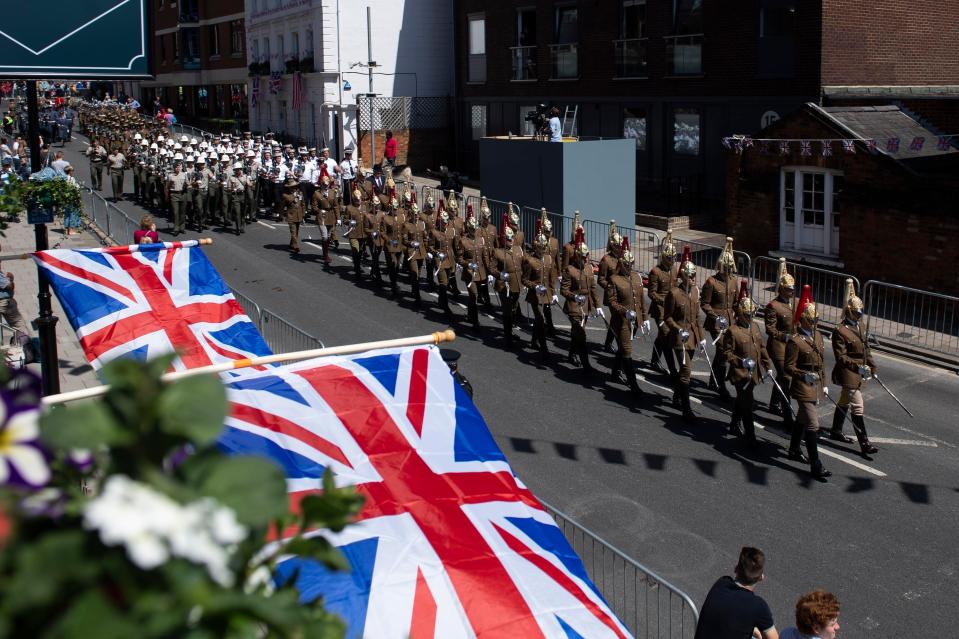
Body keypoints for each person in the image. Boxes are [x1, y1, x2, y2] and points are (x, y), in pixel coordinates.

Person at [785, 285, 832, 481]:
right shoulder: (795, 341)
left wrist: (824, 383)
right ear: (804, 320)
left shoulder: (818, 336)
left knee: (802, 420)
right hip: (803, 386)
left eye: (816, 321)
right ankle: (816, 465)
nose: (814, 324)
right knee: (813, 424)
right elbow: (788, 367)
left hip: (816, 385)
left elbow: (821, 363)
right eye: (812, 321)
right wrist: (804, 375)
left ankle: (794, 449)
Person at [830, 279, 879, 457]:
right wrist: (858, 367)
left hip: (859, 369)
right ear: (849, 311)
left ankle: (835, 430)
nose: (859, 316)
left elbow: (866, 348)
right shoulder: (840, 331)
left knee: (844, 400)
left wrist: (872, 366)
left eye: (860, 313)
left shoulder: (861, 326)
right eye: (856, 313)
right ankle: (864, 443)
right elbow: (841, 357)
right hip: (847, 371)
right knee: (857, 406)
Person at [723, 281, 773, 447]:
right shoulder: (733, 331)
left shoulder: (755, 328)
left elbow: (761, 348)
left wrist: (768, 366)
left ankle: (733, 424)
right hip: (740, 374)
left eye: (752, 315)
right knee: (748, 405)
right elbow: (727, 354)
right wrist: (741, 361)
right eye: (747, 315)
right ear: (741, 313)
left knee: (742, 400)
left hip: (754, 373)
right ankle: (751, 437)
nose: (750, 318)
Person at [694, 547, 778, 639]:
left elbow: (728, 614)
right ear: (761, 577)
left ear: (736, 568)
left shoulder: (721, 583)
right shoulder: (758, 606)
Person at [664, 246, 704, 423]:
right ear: (683, 276)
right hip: (679, 338)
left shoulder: (695, 292)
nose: (693, 278)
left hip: (692, 338)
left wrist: (701, 338)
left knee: (683, 371)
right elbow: (667, 318)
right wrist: (677, 329)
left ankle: (676, 396)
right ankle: (686, 409)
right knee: (686, 371)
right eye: (690, 275)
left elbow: (696, 318)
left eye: (695, 275)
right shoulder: (673, 293)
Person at [606, 241, 648, 400]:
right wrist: (625, 312)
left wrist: (644, 317)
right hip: (622, 322)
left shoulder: (637, 278)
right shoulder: (614, 279)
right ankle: (634, 385)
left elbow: (641, 300)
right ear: (621, 264)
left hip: (634, 321)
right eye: (626, 264)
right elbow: (612, 302)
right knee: (627, 351)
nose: (629, 266)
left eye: (631, 264)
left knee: (622, 349)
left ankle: (615, 372)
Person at [701, 236, 740, 402]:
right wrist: (715, 317)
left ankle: (713, 379)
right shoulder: (711, 282)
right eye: (725, 267)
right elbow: (705, 303)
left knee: (721, 352)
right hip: (716, 322)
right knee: (723, 350)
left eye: (730, 268)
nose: (727, 271)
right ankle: (721, 386)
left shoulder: (733, 281)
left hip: (729, 321)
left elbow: (736, 302)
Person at [560, 227, 601, 377]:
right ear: (577, 257)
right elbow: (563, 290)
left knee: (576, 333)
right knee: (581, 335)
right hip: (574, 306)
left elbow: (593, 288)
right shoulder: (569, 270)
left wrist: (598, 306)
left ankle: (571, 354)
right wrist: (573, 296)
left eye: (587, 256)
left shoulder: (589, 269)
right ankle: (586, 365)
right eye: (583, 257)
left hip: (586, 305)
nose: (585, 259)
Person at [764, 269, 797, 426]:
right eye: (788, 289)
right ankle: (787, 414)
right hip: (778, 345)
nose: (791, 292)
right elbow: (770, 329)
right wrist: (785, 337)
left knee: (781, 376)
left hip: (791, 347)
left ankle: (774, 403)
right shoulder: (773, 306)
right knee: (785, 378)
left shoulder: (792, 304)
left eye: (792, 289)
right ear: (781, 289)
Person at [647, 231, 679, 377]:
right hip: (659, 310)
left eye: (673, 258)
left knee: (662, 336)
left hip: (671, 310)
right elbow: (651, 293)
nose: (672, 260)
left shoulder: (674, 269)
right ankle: (672, 370)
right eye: (670, 258)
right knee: (666, 336)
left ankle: (654, 359)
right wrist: (664, 302)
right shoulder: (655, 272)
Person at [521, 228, 555, 361]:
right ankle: (544, 348)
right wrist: (535, 287)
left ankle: (534, 341)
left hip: (546, 295)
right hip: (535, 296)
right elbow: (524, 280)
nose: (543, 249)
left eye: (544, 247)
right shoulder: (530, 261)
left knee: (539, 320)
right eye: (541, 247)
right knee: (541, 320)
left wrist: (553, 292)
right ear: (536, 247)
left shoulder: (548, 259)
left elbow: (551, 278)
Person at [456, 204, 490, 331]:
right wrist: (468, 264)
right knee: (474, 295)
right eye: (471, 228)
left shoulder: (481, 240)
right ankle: (475, 322)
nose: (474, 231)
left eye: (475, 228)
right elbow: (459, 259)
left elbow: (485, 257)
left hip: (480, 272)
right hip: (469, 272)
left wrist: (490, 272)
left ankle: (470, 314)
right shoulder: (463, 241)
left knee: (473, 297)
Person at [598, 222, 622, 354]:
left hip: (621, 294)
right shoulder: (606, 260)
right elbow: (601, 279)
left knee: (614, 321)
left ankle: (607, 343)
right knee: (617, 320)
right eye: (617, 245)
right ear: (612, 245)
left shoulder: (622, 258)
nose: (620, 248)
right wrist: (609, 286)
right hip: (611, 294)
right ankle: (621, 347)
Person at [430, 204, 457, 322]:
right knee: (443, 283)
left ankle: (441, 301)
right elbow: (430, 246)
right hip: (440, 260)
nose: (445, 223)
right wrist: (435, 253)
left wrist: (458, 259)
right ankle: (446, 307)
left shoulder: (452, 231)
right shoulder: (434, 232)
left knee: (446, 283)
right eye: (443, 221)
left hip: (450, 259)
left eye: (446, 222)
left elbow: (455, 246)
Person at [281, 176, 305, 253]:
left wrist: (303, 215)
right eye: (292, 187)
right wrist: (295, 195)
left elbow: (303, 204)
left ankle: (292, 244)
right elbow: (290, 200)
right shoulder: (285, 195)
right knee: (293, 231)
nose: (294, 188)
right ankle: (296, 246)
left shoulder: (300, 193)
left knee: (296, 231)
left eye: (295, 187)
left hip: (298, 215)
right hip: (291, 215)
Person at [61, 165, 82, 236]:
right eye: (72, 170)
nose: (73, 172)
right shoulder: (71, 179)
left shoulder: (62, 178)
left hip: (65, 198)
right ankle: (71, 230)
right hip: (72, 198)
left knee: (66, 213)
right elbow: (75, 187)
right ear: (69, 171)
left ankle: (66, 229)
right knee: (72, 213)